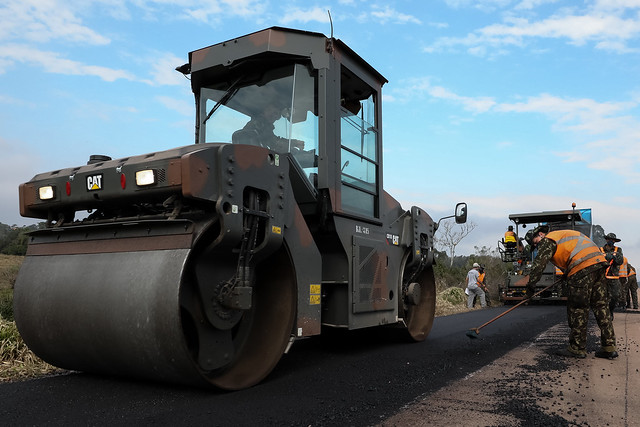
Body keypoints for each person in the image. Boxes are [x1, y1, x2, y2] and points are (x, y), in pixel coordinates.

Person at [524, 226, 617, 359]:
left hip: (583, 268)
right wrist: (566, 274)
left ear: (540, 234)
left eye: (535, 241)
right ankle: (609, 347)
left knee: (578, 308)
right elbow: (573, 253)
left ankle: (577, 348)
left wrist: (530, 289)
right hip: (599, 264)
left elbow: (539, 265)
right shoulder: (562, 235)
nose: (536, 245)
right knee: (601, 306)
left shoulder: (548, 240)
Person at [236, 104, 305, 152]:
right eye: (270, 111)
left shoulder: (263, 125)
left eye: (276, 114)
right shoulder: (259, 123)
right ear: (264, 111)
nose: (273, 115)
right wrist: (295, 143)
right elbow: (275, 143)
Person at [600, 232, 624, 316]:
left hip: (614, 278)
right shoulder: (600, 250)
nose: (611, 241)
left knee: (615, 297)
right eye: (609, 239)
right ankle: (604, 314)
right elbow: (597, 262)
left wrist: (614, 257)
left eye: (613, 240)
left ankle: (610, 310)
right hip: (602, 278)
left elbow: (620, 261)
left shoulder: (618, 250)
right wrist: (605, 258)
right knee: (602, 297)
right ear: (606, 240)